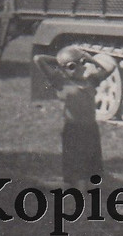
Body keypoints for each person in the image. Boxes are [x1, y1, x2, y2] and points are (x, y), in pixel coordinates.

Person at [33, 46, 116, 187]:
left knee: (92, 157)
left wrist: (88, 59)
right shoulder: (61, 81)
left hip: (90, 128)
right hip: (73, 128)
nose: (74, 69)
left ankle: (89, 184)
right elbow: (38, 59)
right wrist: (62, 60)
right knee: (74, 159)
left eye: (78, 65)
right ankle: (75, 186)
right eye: (70, 67)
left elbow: (110, 68)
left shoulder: (91, 80)